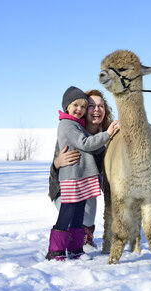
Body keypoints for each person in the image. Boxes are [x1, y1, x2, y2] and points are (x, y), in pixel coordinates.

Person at [46, 86, 119, 261]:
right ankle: (55, 250)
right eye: (76, 105)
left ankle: (76, 248)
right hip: (69, 180)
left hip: (84, 179)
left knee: (78, 213)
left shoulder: (82, 127)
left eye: (83, 106)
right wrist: (56, 164)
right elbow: (85, 143)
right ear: (67, 107)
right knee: (68, 212)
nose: (80, 109)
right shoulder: (68, 125)